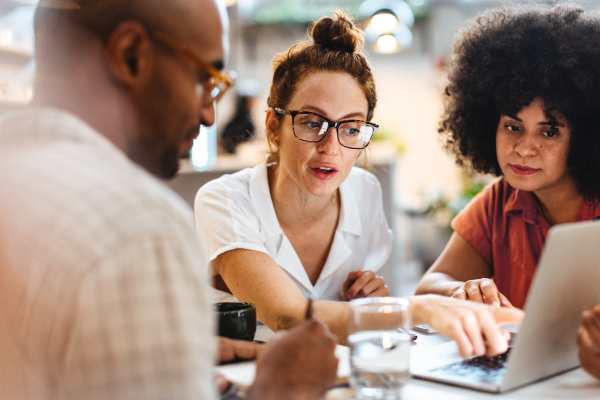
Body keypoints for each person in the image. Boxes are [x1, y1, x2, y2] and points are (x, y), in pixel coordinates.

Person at [0, 0, 339, 399]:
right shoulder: (141, 228)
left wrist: (168, 360)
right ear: (131, 56)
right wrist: (282, 389)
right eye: (204, 77)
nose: (210, 114)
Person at [195, 11, 523, 356]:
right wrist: (413, 309)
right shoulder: (224, 200)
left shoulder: (364, 193)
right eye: (311, 122)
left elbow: (351, 327)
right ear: (273, 126)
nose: (331, 147)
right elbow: (285, 315)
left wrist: (369, 304)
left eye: (351, 128)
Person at [411, 3, 600, 378]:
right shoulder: (498, 202)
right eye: (513, 126)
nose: (525, 148)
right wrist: (462, 292)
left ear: (585, 139)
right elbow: (427, 289)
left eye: (549, 131)